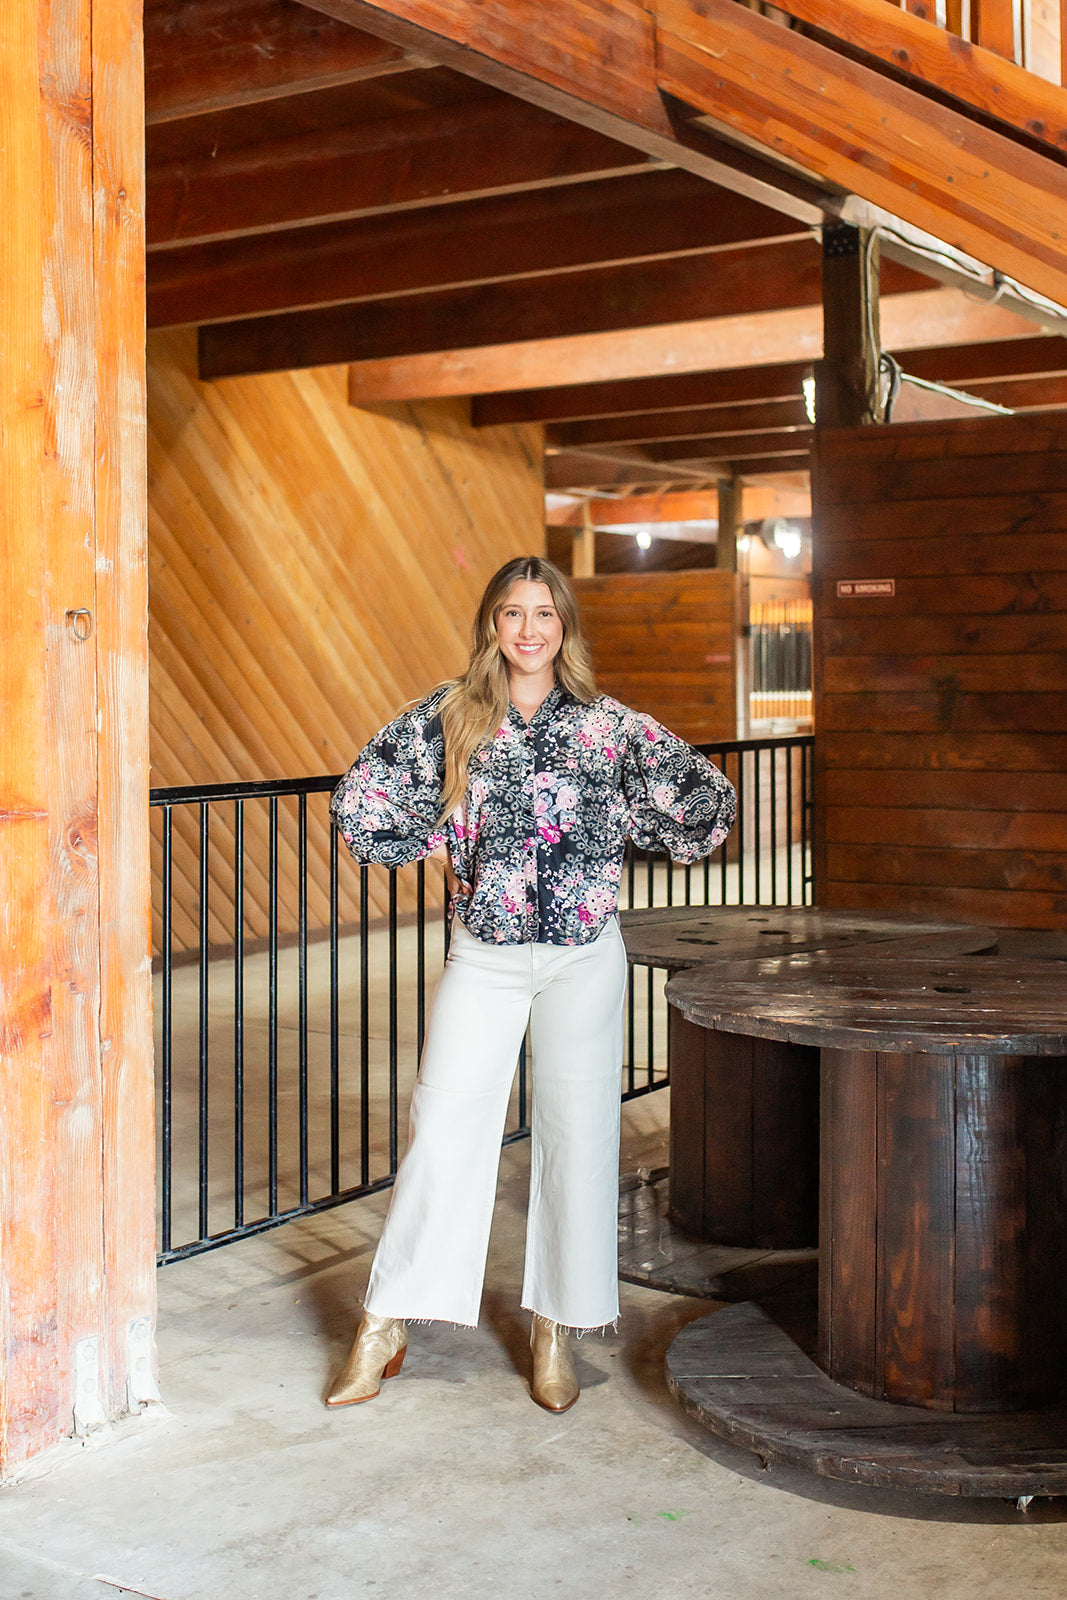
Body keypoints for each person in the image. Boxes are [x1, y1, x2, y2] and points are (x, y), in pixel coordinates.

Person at [326, 555, 736, 1413]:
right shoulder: (449, 716)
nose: (527, 630)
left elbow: (705, 802)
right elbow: (360, 804)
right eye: (511, 613)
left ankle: (557, 1326)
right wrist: (433, 835)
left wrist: (629, 820)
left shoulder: (609, 727)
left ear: (564, 628)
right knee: (442, 1129)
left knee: (578, 1138)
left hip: (584, 957)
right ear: (491, 626)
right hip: (485, 955)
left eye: (543, 614)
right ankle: (386, 1320)